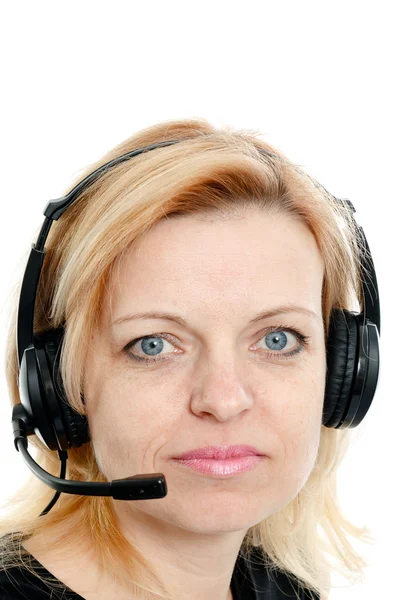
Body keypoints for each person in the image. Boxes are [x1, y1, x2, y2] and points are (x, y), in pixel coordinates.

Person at [0, 118, 377, 600]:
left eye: (278, 339)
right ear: (60, 384)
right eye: (153, 344)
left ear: (344, 373)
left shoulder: (285, 591)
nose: (223, 401)